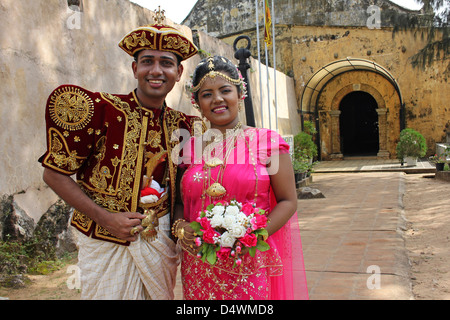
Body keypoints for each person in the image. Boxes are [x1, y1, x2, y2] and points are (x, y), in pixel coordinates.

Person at [39, 22, 201, 299]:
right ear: (134, 68)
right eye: (147, 61)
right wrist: (106, 218)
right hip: (104, 241)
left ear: (179, 72)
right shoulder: (102, 111)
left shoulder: (186, 126)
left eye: (166, 63)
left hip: (159, 243)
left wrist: (178, 225)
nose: (156, 70)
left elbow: (181, 195)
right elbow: (53, 174)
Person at [172, 56, 308, 300]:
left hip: (248, 259)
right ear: (197, 103)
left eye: (225, 90)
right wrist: (181, 226)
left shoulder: (267, 142)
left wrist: (252, 237)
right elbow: (180, 203)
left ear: (240, 94)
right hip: (198, 262)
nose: (218, 99)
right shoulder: (188, 148)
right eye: (207, 94)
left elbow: (288, 201)